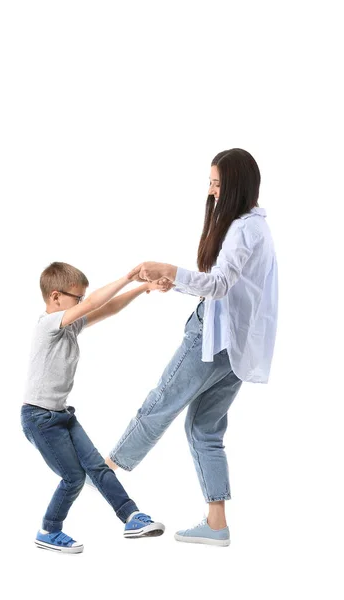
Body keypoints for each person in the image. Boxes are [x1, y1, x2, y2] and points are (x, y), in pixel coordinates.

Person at [103, 148, 278, 547]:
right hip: (235, 350)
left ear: (236, 184)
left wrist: (169, 270)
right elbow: (225, 288)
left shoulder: (242, 230)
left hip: (212, 341)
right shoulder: (256, 227)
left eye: (218, 183)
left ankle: (105, 471)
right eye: (211, 183)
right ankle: (216, 523)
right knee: (203, 428)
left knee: (160, 402)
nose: (212, 192)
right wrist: (176, 282)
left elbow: (218, 287)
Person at [21, 261, 166, 553]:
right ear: (55, 297)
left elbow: (108, 308)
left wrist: (143, 287)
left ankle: (131, 517)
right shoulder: (47, 324)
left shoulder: (69, 326)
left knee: (98, 466)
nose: (83, 304)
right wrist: (127, 276)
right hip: (39, 418)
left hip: (62, 415)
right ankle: (48, 530)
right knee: (73, 477)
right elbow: (98, 301)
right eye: (78, 298)